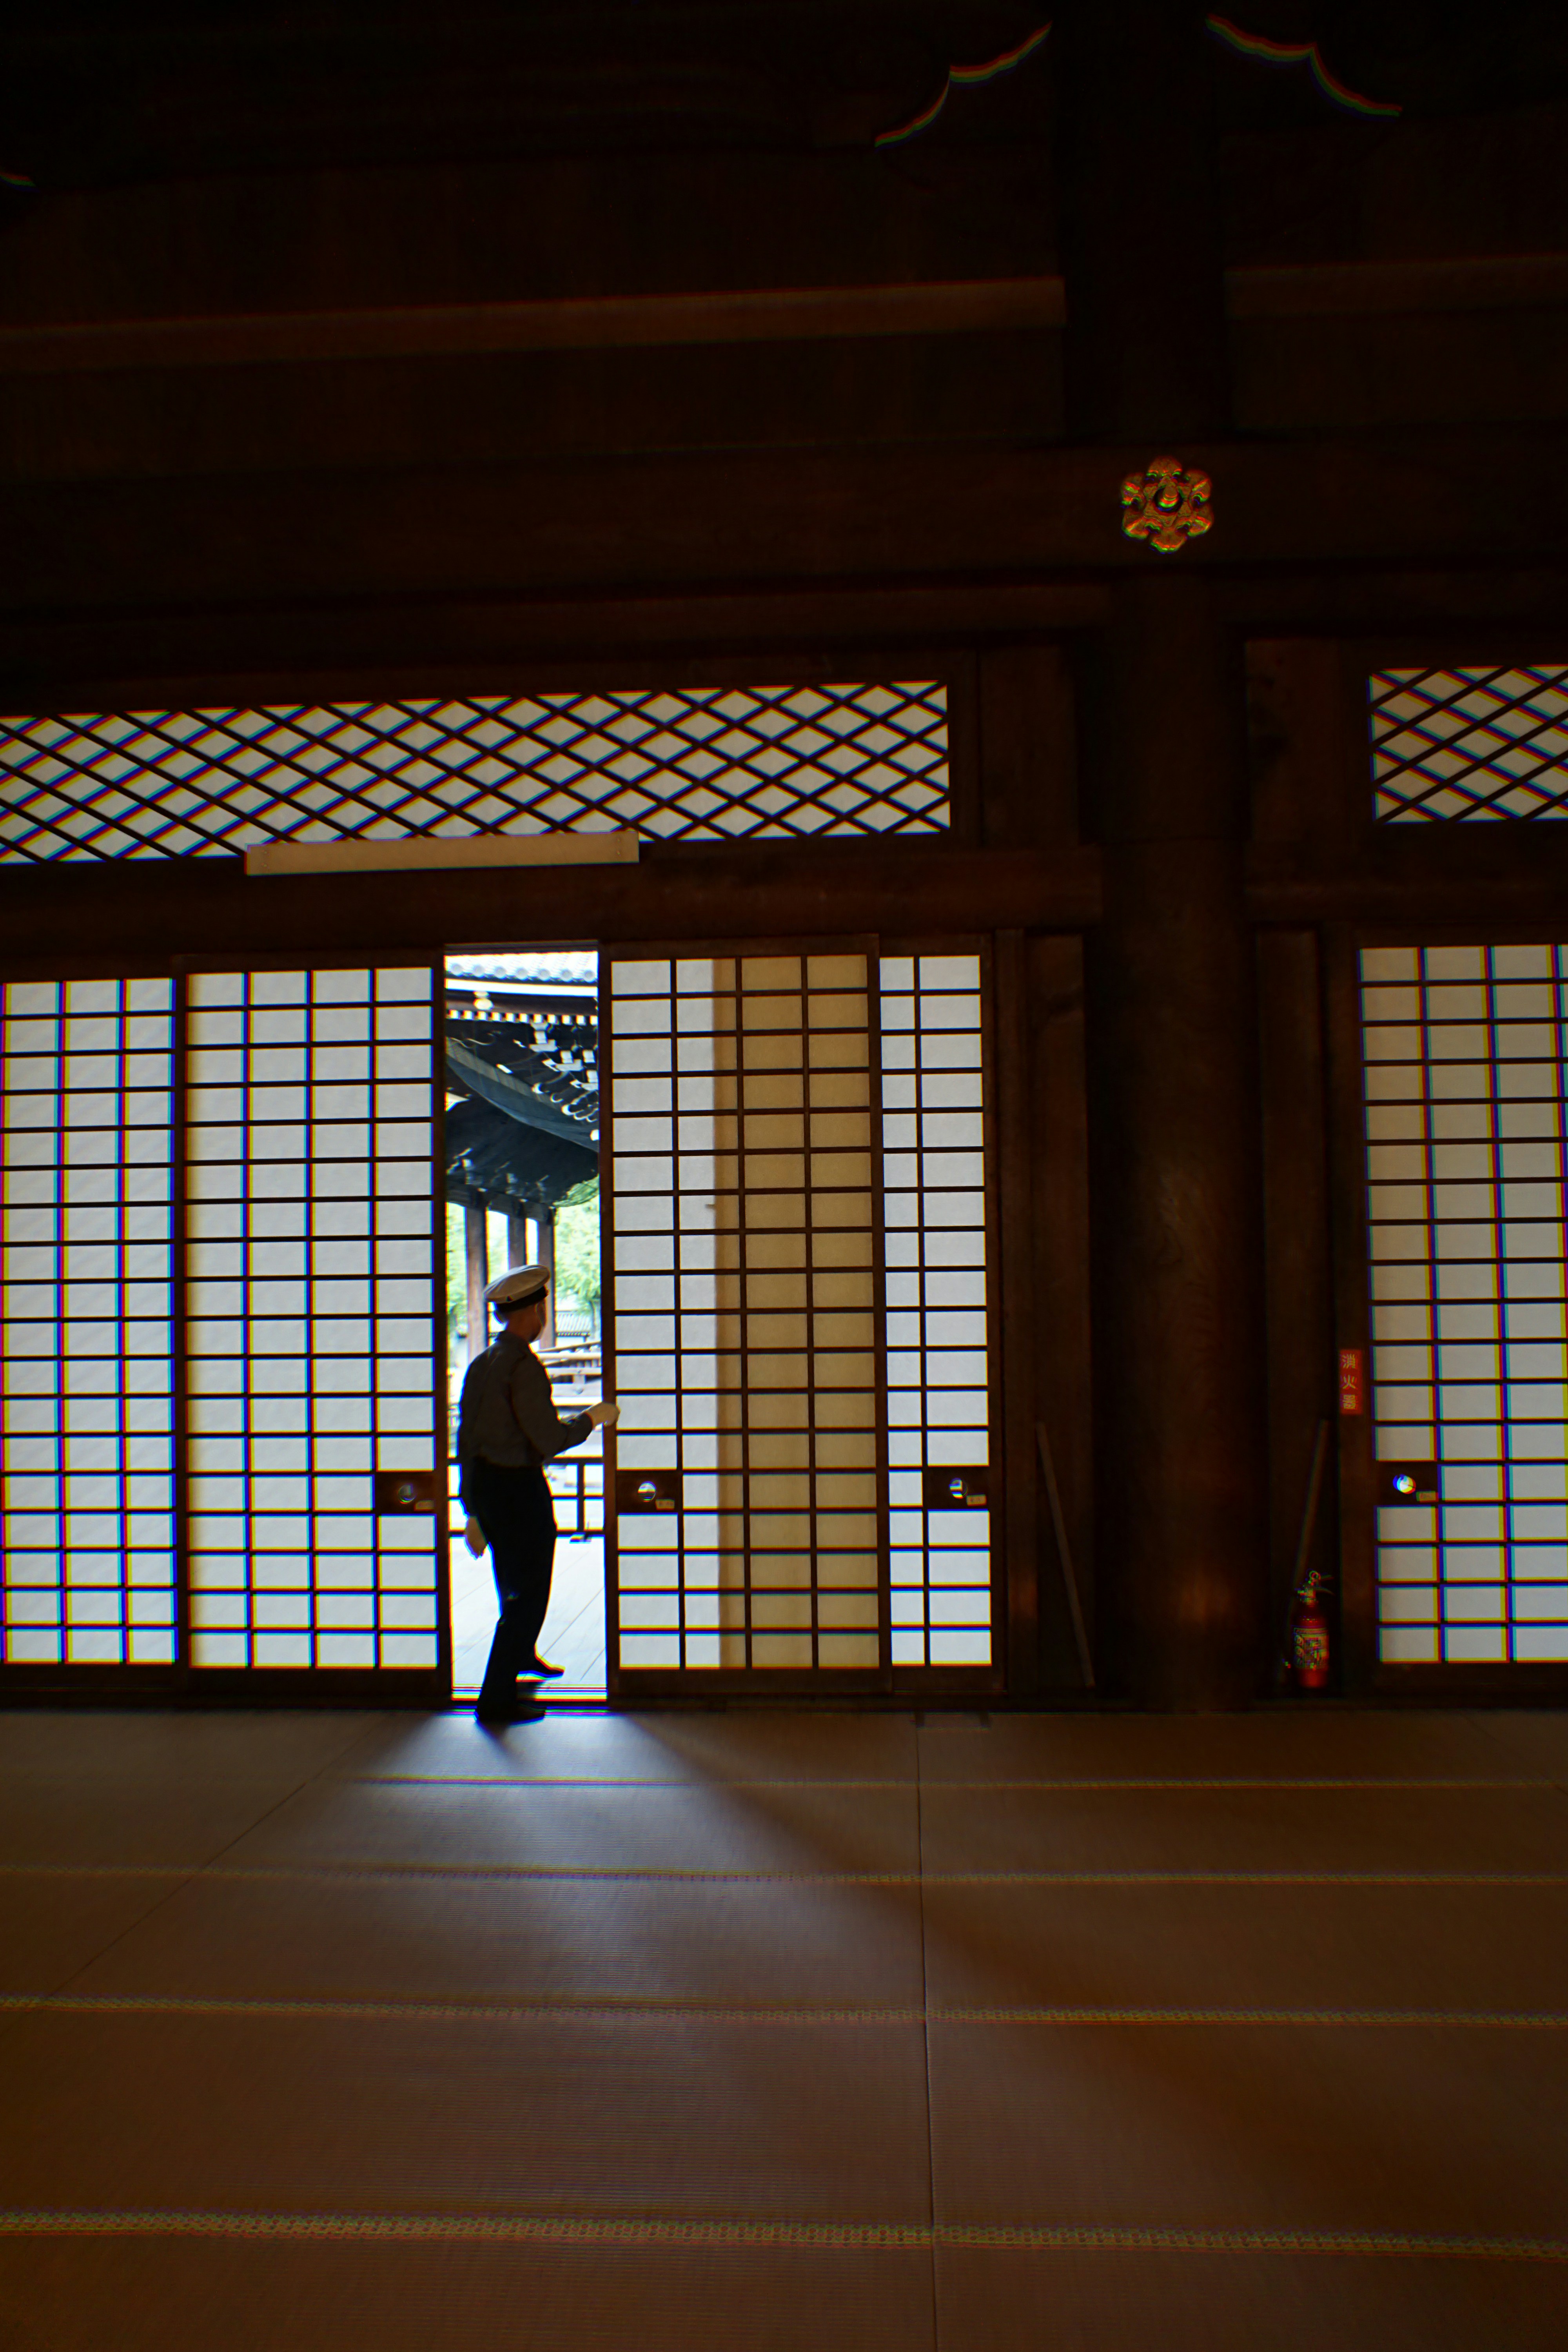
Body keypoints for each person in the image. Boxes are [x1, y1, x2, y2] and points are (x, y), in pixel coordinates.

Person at [457, 1262, 617, 1724]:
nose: (545, 1313)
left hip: (488, 1489)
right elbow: (547, 1440)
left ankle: (521, 1658)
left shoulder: (482, 1364)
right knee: (527, 1593)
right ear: (533, 1310)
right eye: (543, 1305)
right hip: (517, 1490)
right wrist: (593, 1418)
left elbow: (466, 1441)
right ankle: (496, 1700)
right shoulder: (522, 1367)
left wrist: (471, 1509)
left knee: (511, 1583)